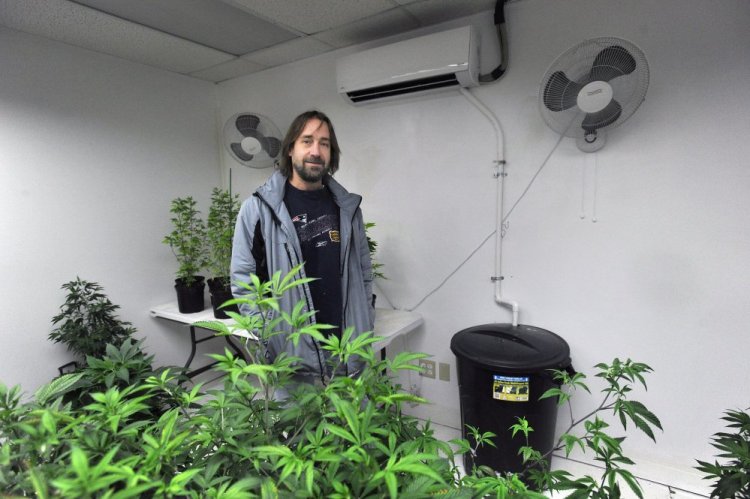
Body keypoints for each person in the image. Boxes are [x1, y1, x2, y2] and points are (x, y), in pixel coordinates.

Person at [231, 110, 375, 386]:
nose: (316, 151)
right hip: (291, 360)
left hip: (347, 353)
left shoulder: (348, 209)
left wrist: (365, 319)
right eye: (307, 141)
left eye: (324, 143)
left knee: (351, 428)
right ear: (290, 150)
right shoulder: (259, 209)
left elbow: (364, 272)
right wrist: (267, 333)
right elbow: (242, 279)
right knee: (298, 430)